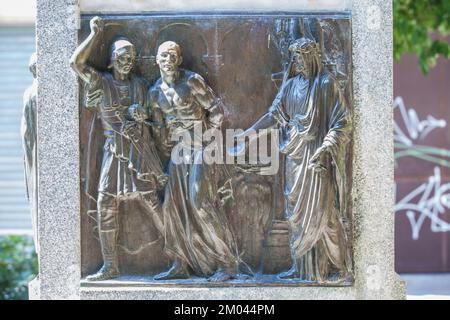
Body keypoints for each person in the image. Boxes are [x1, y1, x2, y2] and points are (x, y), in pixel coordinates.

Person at [236, 37, 353, 282]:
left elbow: (342, 121)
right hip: (295, 159)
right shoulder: (290, 86)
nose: (298, 63)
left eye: (302, 57)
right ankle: (302, 269)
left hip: (317, 158)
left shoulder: (325, 84)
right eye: (295, 58)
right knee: (296, 216)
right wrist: (248, 136)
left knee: (325, 215)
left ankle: (338, 268)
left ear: (312, 57)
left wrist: (326, 146)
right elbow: (274, 116)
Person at [70, 16, 166, 281]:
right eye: (122, 57)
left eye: (130, 58)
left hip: (138, 149)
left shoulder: (140, 85)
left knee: (151, 202)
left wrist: (141, 113)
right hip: (114, 151)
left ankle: (181, 255)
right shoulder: (101, 81)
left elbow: (153, 118)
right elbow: (76, 63)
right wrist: (94, 34)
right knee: (105, 203)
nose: (127, 61)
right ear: (112, 60)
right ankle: (110, 265)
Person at [148, 41, 239, 282]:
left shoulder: (191, 81)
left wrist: (204, 136)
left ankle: (227, 263)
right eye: (163, 55)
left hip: (202, 147)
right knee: (172, 206)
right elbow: (159, 131)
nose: (168, 59)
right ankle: (181, 262)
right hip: (179, 150)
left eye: (173, 55)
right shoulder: (155, 93)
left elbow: (217, 111)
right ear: (156, 60)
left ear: (178, 60)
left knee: (200, 202)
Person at [21, 52, 38, 252]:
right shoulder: (32, 94)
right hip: (37, 154)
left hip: (34, 155)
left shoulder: (30, 92)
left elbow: (25, 133)